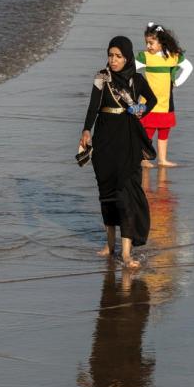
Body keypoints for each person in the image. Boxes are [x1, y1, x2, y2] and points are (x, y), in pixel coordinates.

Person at [80, 36, 158, 269]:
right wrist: (86, 130)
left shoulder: (136, 79)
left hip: (127, 140)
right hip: (104, 140)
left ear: (127, 57)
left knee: (125, 196)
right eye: (110, 55)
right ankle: (109, 246)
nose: (113, 60)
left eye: (118, 56)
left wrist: (140, 109)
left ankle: (126, 253)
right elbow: (93, 106)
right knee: (107, 195)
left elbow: (152, 99)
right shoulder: (101, 77)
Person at [136, 22, 192, 168]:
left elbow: (188, 67)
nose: (148, 46)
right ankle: (144, 159)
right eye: (146, 43)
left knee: (164, 131)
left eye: (151, 43)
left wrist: (177, 82)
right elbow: (130, 69)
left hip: (166, 102)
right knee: (147, 131)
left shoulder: (173, 57)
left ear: (161, 42)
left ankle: (162, 159)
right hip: (148, 103)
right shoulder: (146, 57)